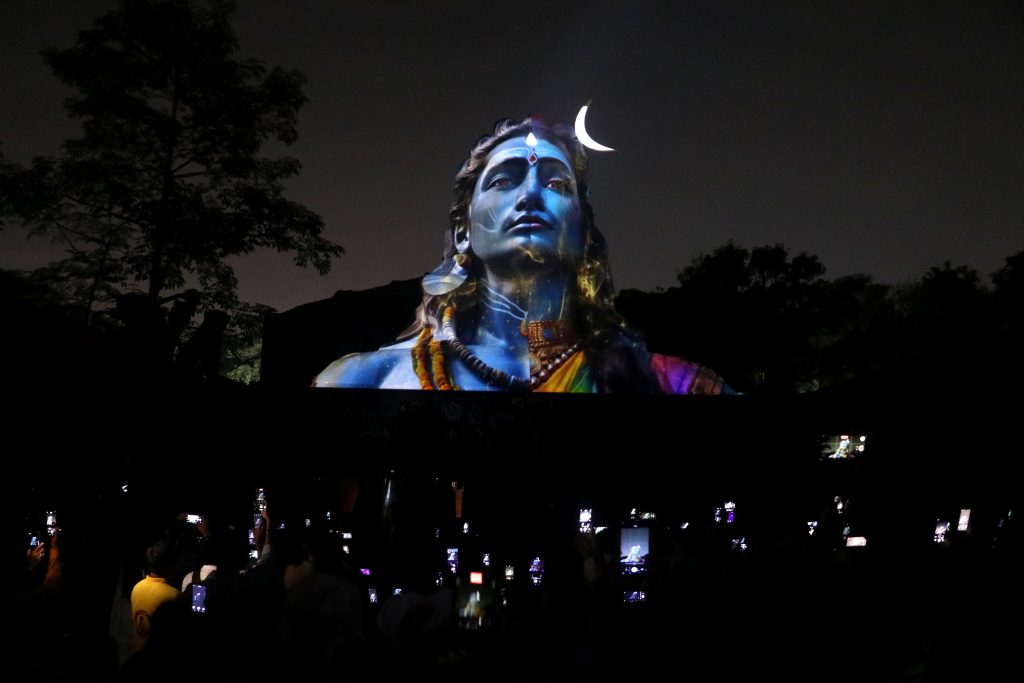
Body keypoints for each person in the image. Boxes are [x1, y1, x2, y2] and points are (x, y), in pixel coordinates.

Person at [315, 116, 730, 394]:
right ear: (463, 230)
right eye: (503, 180)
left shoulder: (668, 383)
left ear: (583, 230)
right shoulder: (367, 379)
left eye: (556, 184)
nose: (531, 194)